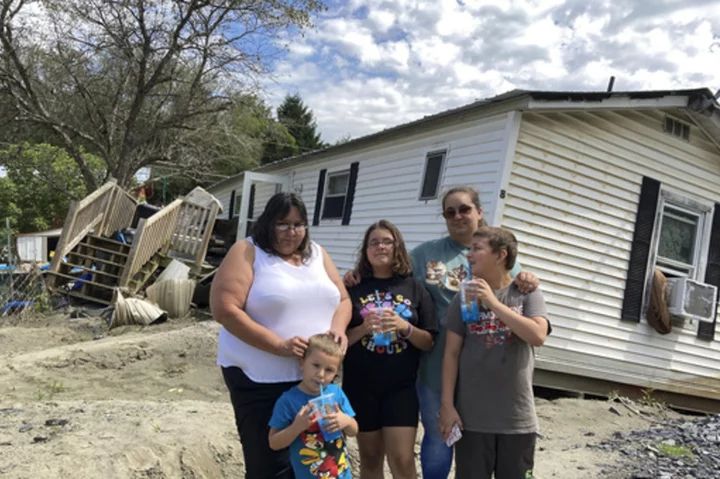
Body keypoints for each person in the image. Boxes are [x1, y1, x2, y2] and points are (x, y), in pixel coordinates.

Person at [344, 185, 538, 479]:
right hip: (434, 366)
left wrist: (528, 277)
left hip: (484, 366)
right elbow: (391, 278)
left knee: (478, 444)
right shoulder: (425, 254)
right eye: (450, 212)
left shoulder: (493, 250)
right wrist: (354, 275)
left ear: (479, 212)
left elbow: (515, 281)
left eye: (464, 209)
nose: (457, 216)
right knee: (437, 439)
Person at [211, 192, 351, 479]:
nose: (292, 232)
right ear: (267, 223)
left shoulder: (317, 254)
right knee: (270, 465)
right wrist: (278, 345)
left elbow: (344, 300)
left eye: (298, 225)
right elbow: (225, 309)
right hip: (260, 380)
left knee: (315, 461)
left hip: (312, 380)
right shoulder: (248, 251)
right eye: (283, 224)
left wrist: (338, 328)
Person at [439, 226, 550, 479]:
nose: (469, 255)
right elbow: (451, 354)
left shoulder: (526, 293)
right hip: (472, 421)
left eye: (477, 249)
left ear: (501, 255)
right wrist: (447, 406)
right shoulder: (464, 297)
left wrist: (494, 303)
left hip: (517, 421)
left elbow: (537, 335)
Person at [343, 220, 438, 479]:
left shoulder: (414, 288)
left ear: (397, 247)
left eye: (387, 241)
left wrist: (403, 327)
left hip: (401, 388)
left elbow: (428, 341)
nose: (380, 246)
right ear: (365, 251)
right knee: (370, 459)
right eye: (373, 242)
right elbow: (338, 341)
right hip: (360, 386)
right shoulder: (351, 288)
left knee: (402, 459)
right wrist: (363, 328)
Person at [269, 334, 359, 479]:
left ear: (336, 373)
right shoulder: (288, 401)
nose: (321, 374)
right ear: (302, 363)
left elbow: (354, 430)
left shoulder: (336, 393)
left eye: (329, 370)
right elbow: (273, 442)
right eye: (316, 365)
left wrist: (346, 421)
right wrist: (296, 427)